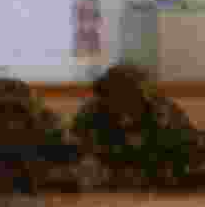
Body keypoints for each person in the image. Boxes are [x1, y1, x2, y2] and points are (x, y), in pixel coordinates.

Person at [71, 63, 204, 189]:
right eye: (109, 95)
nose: (117, 103)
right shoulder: (90, 115)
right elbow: (73, 158)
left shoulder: (165, 116)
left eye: (126, 95)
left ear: (143, 97)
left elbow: (188, 161)